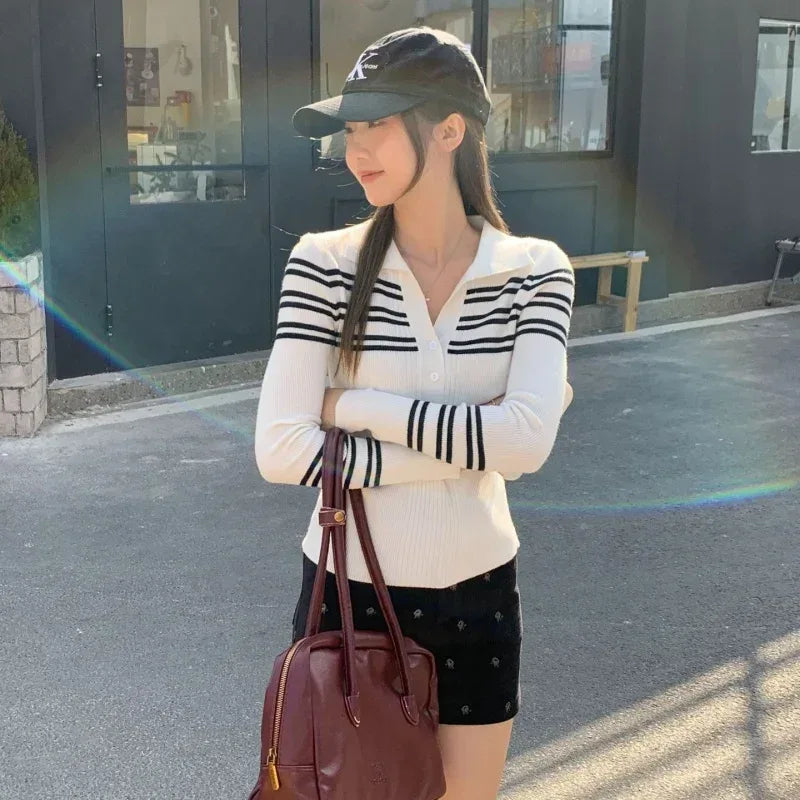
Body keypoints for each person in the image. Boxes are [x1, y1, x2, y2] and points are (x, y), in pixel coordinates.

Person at [254, 26, 575, 800]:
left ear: (450, 128)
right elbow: (282, 450)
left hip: (478, 592)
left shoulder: (535, 272)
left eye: (378, 124)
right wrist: (481, 442)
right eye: (350, 128)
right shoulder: (324, 264)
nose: (355, 148)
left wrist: (359, 406)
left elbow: (526, 443)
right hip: (348, 588)